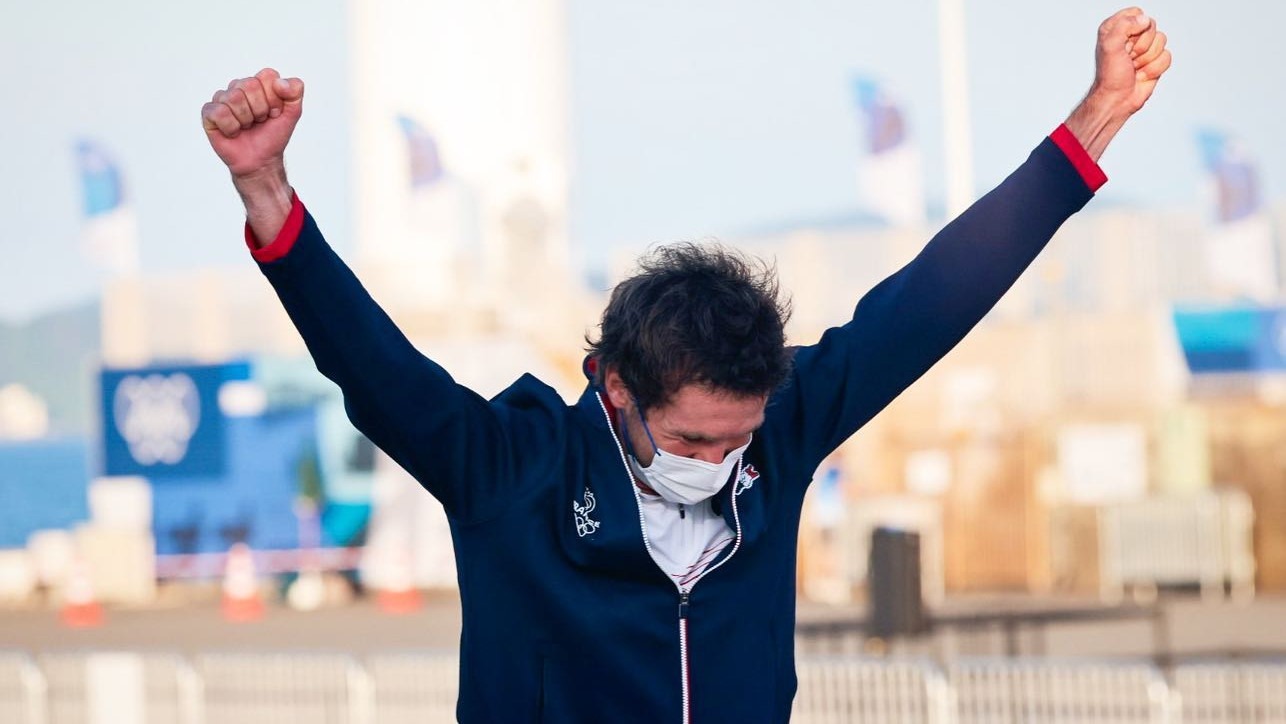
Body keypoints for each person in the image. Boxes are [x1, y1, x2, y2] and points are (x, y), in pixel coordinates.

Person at [201, 8, 1170, 722]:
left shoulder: (779, 433)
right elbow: (371, 366)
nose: (718, 462)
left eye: (736, 437)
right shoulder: (508, 469)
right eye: (692, 438)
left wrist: (1091, 124)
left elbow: (931, 300)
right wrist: (264, 188)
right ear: (612, 385)